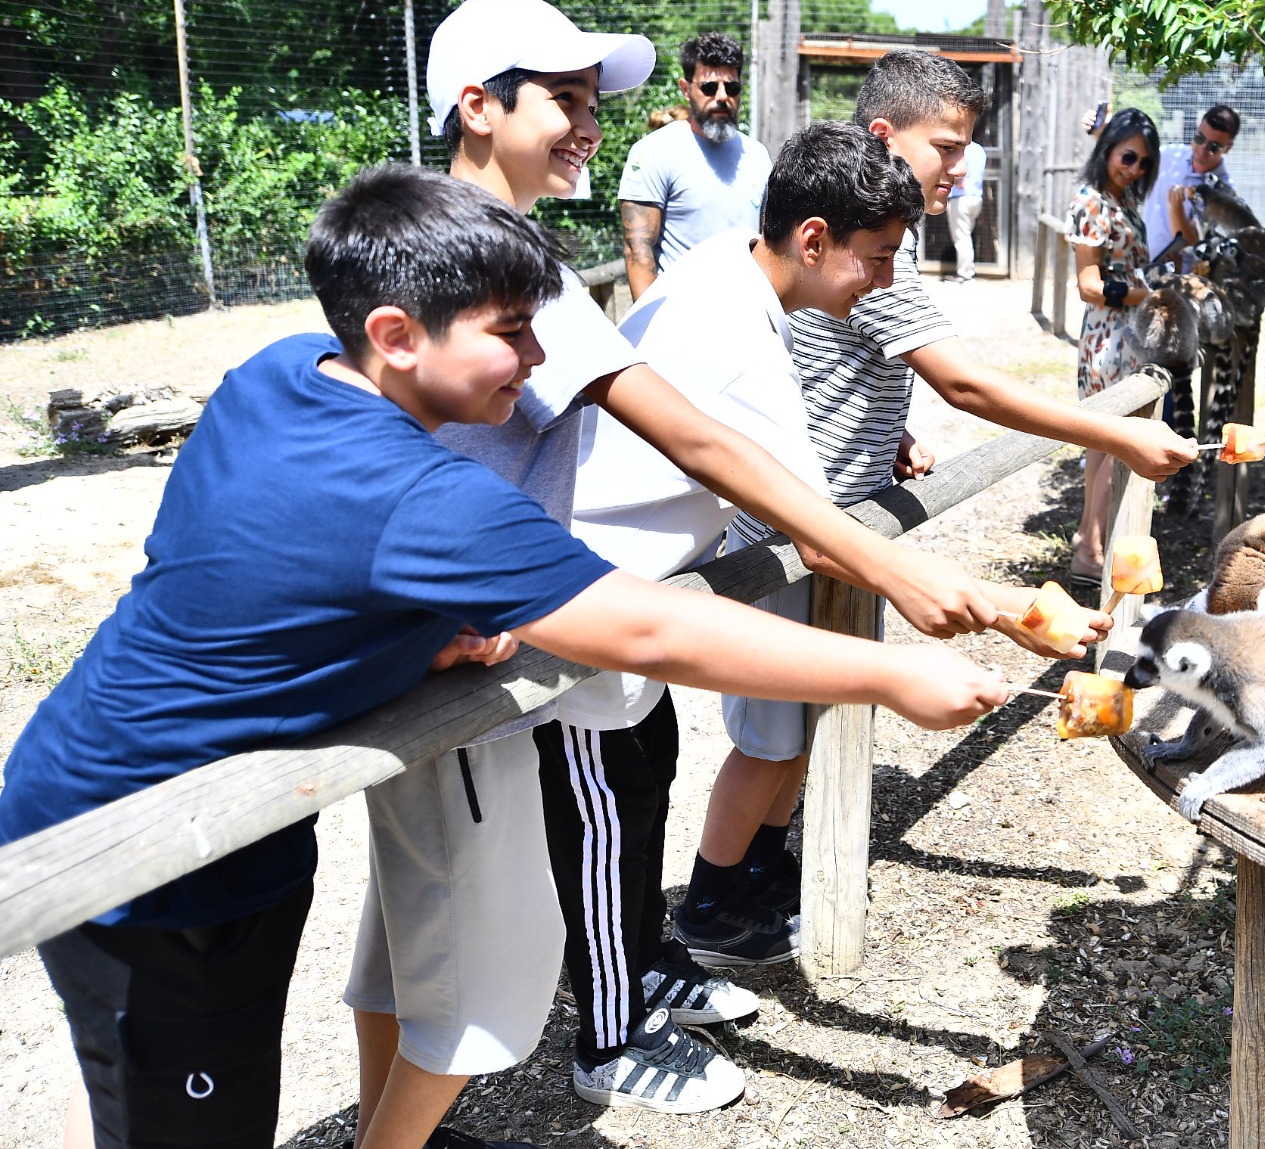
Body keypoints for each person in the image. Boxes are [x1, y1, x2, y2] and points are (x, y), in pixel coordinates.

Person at [0, 161, 1010, 1149]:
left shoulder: (280, 376)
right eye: (511, 332)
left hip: (200, 812)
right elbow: (653, 628)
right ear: (397, 334)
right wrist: (891, 672)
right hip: (143, 850)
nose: (535, 361)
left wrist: (405, 632)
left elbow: (241, 564)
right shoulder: (426, 496)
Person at [347, 0, 1030, 1140]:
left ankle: (395, 1128)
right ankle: (542, 1060)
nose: (586, 126)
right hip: (487, 625)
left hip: (481, 617)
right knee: (475, 965)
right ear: (476, 106)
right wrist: (894, 580)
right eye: (559, 100)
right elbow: (689, 432)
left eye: (591, 102)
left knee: (415, 937)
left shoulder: (514, 252)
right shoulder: (474, 259)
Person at [674, 51, 1197, 967]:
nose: (960, 165)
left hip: (845, 521)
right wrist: (1110, 434)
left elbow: (864, 368)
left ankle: (764, 868)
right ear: (885, 139)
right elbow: (964, 382)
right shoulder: (866, 249)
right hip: (796, 533)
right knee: (768, 737)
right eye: (946, 147)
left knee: (806, 720)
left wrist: (891, 435)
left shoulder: (884, 248)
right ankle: (715, 901)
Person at [1067, 108, 1162, 583]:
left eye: (1144, 163)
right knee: (1111, 443)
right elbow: (1088, 284)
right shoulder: (1092, 203)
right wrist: (1150, 294)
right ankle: (1091, 551)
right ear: (1108, 149)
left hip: (1125, 335)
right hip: (1108, 338)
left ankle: (1091, 541)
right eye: (1128, 156)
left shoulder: (1119, 201)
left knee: (1104, 446)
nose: (1134, 168)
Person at [618, 31, 771, 299]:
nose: (722, 96)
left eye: (732, 87)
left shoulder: (758, 155)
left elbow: (768, 243)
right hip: (678, 319)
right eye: (709, 87)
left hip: (747, 314)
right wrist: (650, 332)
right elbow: (637, 251)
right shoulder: (653, 152)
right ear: (686, 89)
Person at [1083, 103, 1239, 268]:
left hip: (1182, 281)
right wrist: (1102, 134)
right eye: (1199, 138)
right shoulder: (1171, 155)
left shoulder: (1223, 192)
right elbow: (1126, 162)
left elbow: (1193, 245)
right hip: (1141, 265)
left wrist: (1175, 207)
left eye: (1213, 147)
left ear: (1228, 147)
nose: (1202, 149)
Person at [944, 138, 987, 283]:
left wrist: (957, 181)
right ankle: (967, 270)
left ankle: (965, 274)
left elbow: (959, 175)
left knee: (962, 238)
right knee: (966, 236)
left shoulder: (961, 150)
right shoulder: (979, 149)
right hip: (976, 198)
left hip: (960, 198)